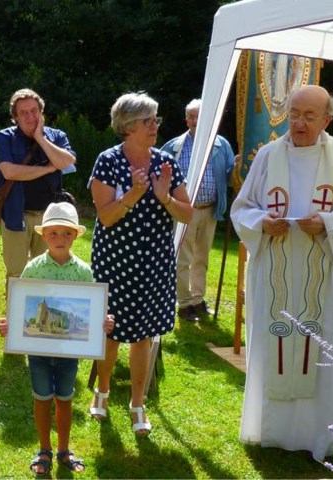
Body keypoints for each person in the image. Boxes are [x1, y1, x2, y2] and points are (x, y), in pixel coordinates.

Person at [231, 85, 333, 460]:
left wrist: (328, 223)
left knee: (323, 342)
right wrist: (262, 222)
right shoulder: (268, 156)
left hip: (325, 273)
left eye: (309, 116)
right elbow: (242, 208)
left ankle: (322, 433)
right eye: (294, 114)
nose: (298, 122)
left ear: (327, 119)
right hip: (277, 271)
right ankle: (275, 430)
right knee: (278, 341)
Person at [88, 92, 192, 436]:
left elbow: (187, 213)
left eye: (156, 119)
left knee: (144, 335)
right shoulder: (108, 161)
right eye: (149, 121)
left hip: (154, 263)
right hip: (114, 262)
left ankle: (137, 403)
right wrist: (134, 193)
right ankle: (101, 392)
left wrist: (163, 197)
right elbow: (105, 216)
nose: (156, 126)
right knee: (110, 331)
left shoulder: (166, 163)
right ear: (128, 126)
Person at [0, 203, 114, 476]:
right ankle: (44, 449)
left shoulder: (84, 272)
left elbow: (93, 309)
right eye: (53, 233)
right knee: (41, 398)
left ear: (75, 236)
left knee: (64, 398)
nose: (59, 239)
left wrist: (104, 322)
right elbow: (20, 307)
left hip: (68, 351)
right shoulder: (33, 268)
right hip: (37, 351)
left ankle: (63, 449)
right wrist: (10, 326)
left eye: (66, 234)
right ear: (43, 235)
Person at [0, 89, 76, 284]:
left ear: (41, 112)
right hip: (15, 215)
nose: (30, 116)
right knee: (16, 275)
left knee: (47, 273)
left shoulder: (57, 136)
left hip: (50, 219)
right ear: (15, 118)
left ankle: (43, 315)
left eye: (34, 110)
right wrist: (48, 168)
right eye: (23, 113)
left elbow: (66, 162)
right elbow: (9, 172)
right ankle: (14, 315)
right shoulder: (4, 138)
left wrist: (40, 138)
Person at [162, 98, 235, 321]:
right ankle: (184, 304)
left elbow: (232, 177)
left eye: (200, 116)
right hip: (183, 210)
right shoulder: (174, 147)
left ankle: (197, 300)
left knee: (201, 257)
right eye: (192, 116)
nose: (195, 120)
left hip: (209, 209)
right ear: (186, 120)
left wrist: (239, 166)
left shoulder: (221, 145)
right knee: (183, 258)